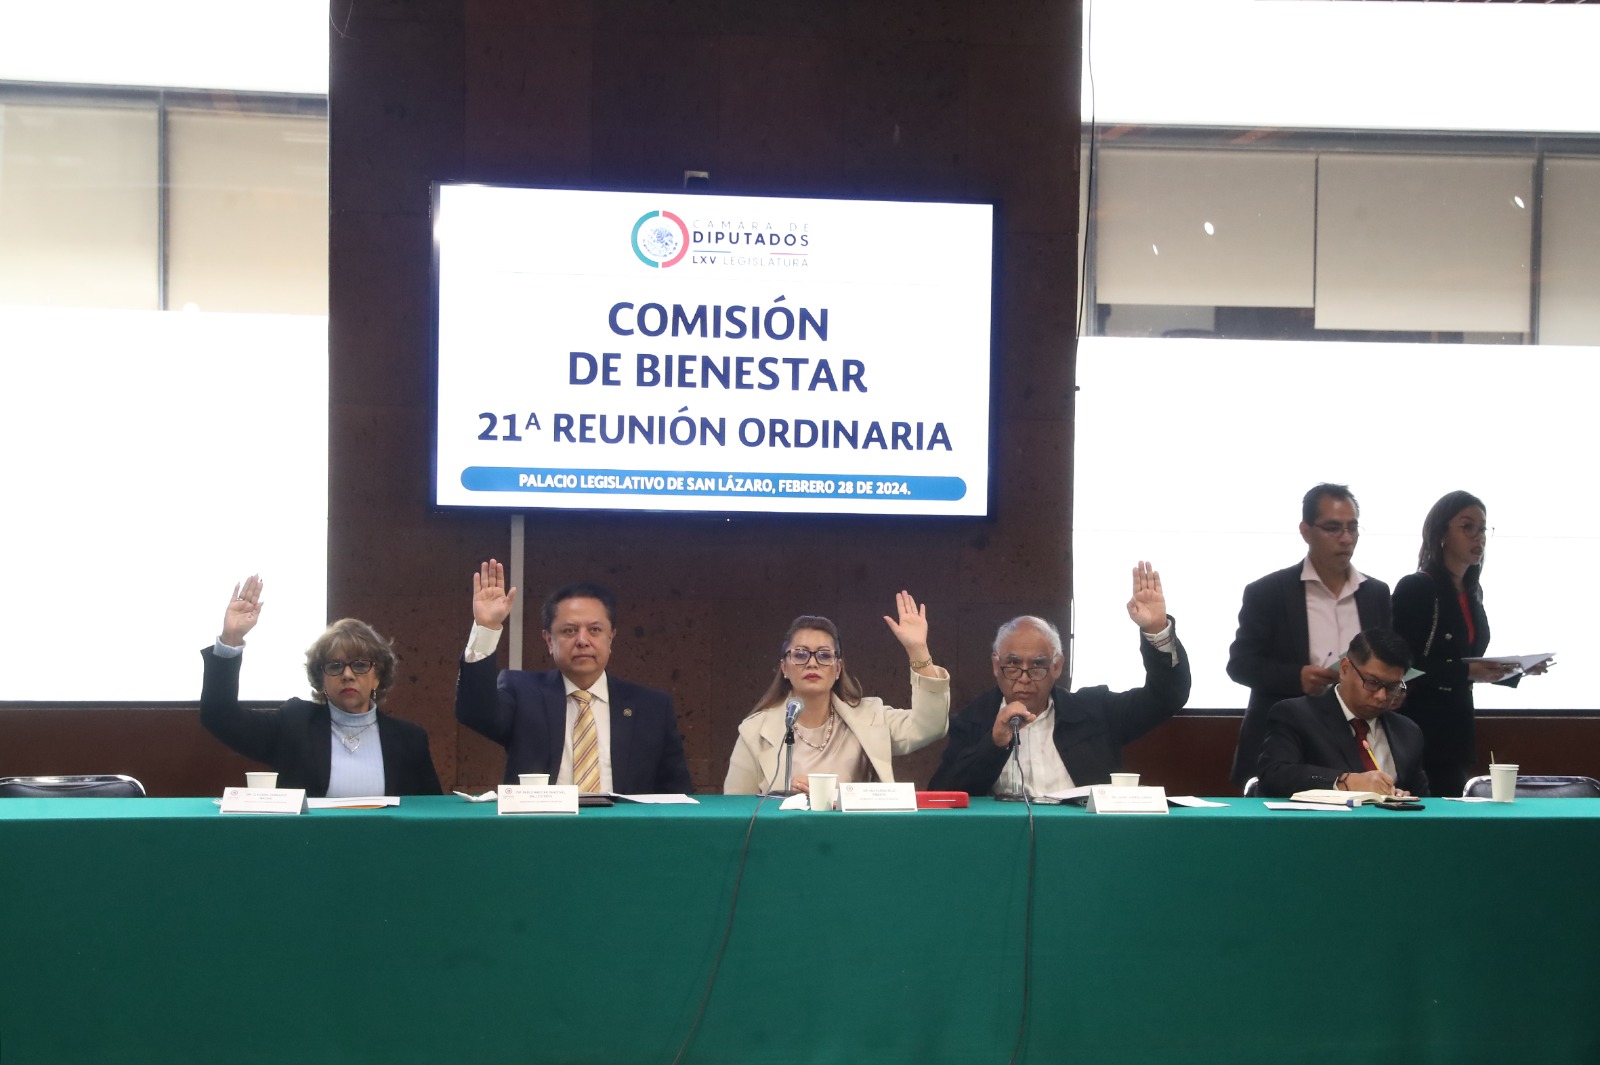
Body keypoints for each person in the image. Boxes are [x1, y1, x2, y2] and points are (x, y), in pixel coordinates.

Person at [929, 562, 1189, 797]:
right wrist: (994, 743)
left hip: (1084, 833)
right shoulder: (973, 723)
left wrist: (1156, 630)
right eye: (1013, 665)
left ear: (1057, 666)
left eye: (1038, 666)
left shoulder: (1096, 712)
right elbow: (942, 796)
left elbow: (1167, 697)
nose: (1024, 678)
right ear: (996, 666)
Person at [455, 561, 692, 793]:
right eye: (569, 630)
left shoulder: (652, 707)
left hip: (623, 820)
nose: (582, 640)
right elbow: (475, 713)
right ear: (549, 641)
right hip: (542, 819)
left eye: (595, 630)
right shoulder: (523, 693)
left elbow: (677, 792)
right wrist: (486, 627)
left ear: (611, 638)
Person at [199, 575, 442, 796]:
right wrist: (231, 639)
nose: (347, 675)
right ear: (321, 678)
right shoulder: (294, 724)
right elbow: (219, 716)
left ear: (378, 676)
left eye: (359, 665)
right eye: (335, 666)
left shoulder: (409, 739)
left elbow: (431, 814)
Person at [1226, 483, 1392, 789]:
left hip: (1357, 740)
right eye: (1333, 528)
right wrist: (1297, 677)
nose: (1346, 538)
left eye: (1352, 527)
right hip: (1285, 742)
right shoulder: (1269, 592)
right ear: (1305, 531)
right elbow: (1240, 665)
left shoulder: (1376, 593)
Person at [1391, 491, 1546, 799]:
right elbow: (1399, 666)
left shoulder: (1473, 591)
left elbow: (1467, 661)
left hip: (1456, 728)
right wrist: (1466, 672)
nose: (1479, 537)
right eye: (1467, 527)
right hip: (1418, 727)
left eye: (1483, 528)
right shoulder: (1417, 587)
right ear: (1441, 535)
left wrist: (1516, 668)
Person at [722, 592, 950, 796]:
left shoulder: (870, 716)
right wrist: (781, 798)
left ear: (838, 668)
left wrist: (917, 650)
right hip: (783, 830)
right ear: (784, 668)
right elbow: (736, 810)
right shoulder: (754, 731)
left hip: (855, 830)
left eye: (824, 655)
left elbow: (930, 726)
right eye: (800, 655)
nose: (812, 663)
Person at [1256, 628, 1428, 798]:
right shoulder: (1296, 715)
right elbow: (1274, 775)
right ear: (1344, 669)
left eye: (1392, 687)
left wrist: (1404, 798)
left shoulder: (1407, 731)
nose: (1381, 696)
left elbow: (1424, 801)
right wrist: (1345, 782)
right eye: (1373, 682)